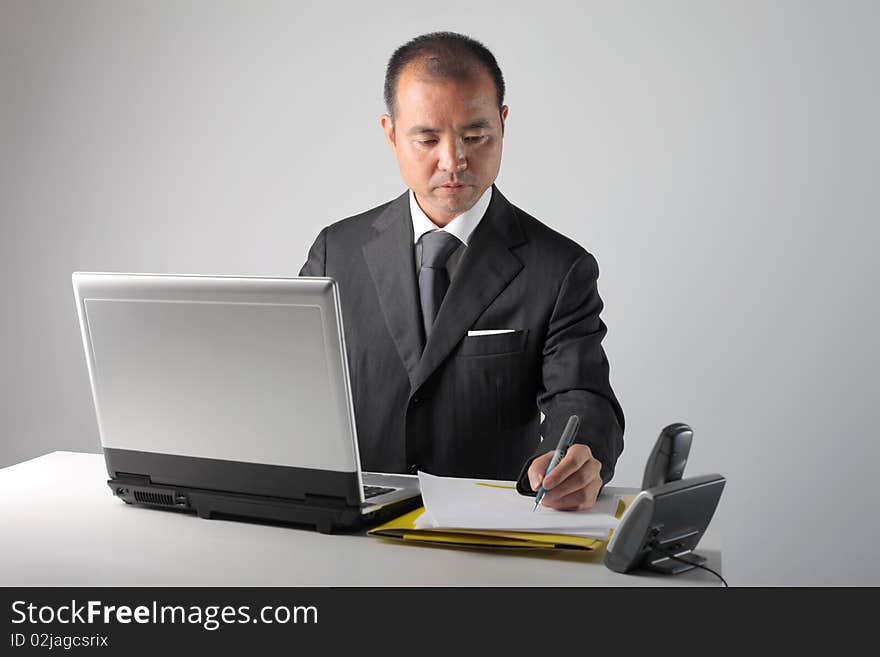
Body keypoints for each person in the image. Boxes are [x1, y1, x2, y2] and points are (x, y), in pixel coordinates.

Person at [299, 32, 624, 511]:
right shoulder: (336, 252)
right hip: (352, 526)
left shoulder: (560, 267)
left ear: (503, 124)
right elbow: (296, 384)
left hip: (489, 534)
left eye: (476, 137)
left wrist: (578, 456)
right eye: (427, 138)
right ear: (391, 133)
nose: (454, 161)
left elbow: (580, 394)